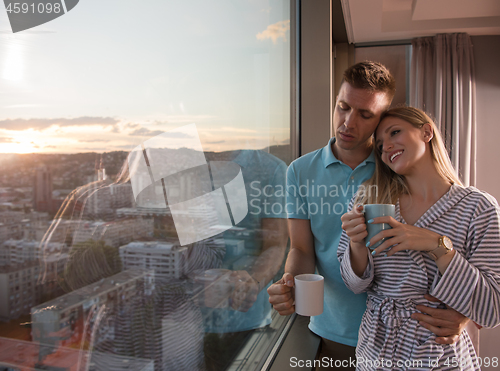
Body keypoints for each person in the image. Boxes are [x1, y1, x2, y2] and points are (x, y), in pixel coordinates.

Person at [267, 62, 470, 369]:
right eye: (343, 107)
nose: (348, 122)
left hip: (409, 334)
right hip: (334, 331)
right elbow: (302, 248)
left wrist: (464, 313)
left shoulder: (398, 165)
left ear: (381, 120)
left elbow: (450, 237)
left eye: (365, 115)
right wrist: (289, 282)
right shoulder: (299, 171)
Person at [338, 106, 500, 369]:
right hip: (376, 353)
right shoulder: (369, 200)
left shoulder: (479, 208)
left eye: (395, 133)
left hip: (440, 357)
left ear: (426, 132)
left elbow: (491, 308)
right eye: (379, 145)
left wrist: (437, 246)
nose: (387, 146)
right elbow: (354, 285)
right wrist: (356, 243)